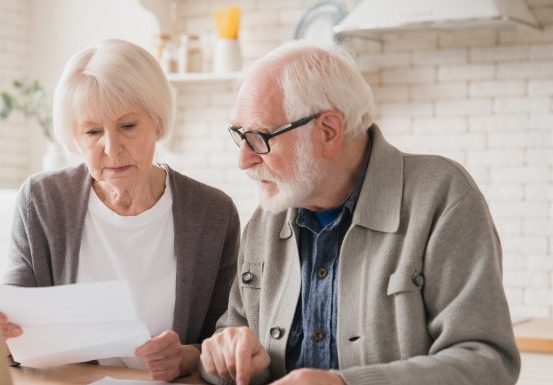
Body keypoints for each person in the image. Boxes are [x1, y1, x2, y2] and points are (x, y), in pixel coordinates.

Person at [198, 40, 520, 385]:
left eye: (260, 136)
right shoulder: (267, 218)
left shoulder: (440, 196)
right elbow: (229, 338)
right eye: (240, 136)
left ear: (328, 131)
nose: (243, 160)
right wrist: (228, 356)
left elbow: (487, 364)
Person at [0, 39, 240, 382]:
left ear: (157, 122)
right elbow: (14, 334)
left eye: (128, 126)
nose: (111, 147)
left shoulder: (213, 213)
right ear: (75, 138)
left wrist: (185, 357)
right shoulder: (41, 201)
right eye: (93, 132)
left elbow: (226, 335)